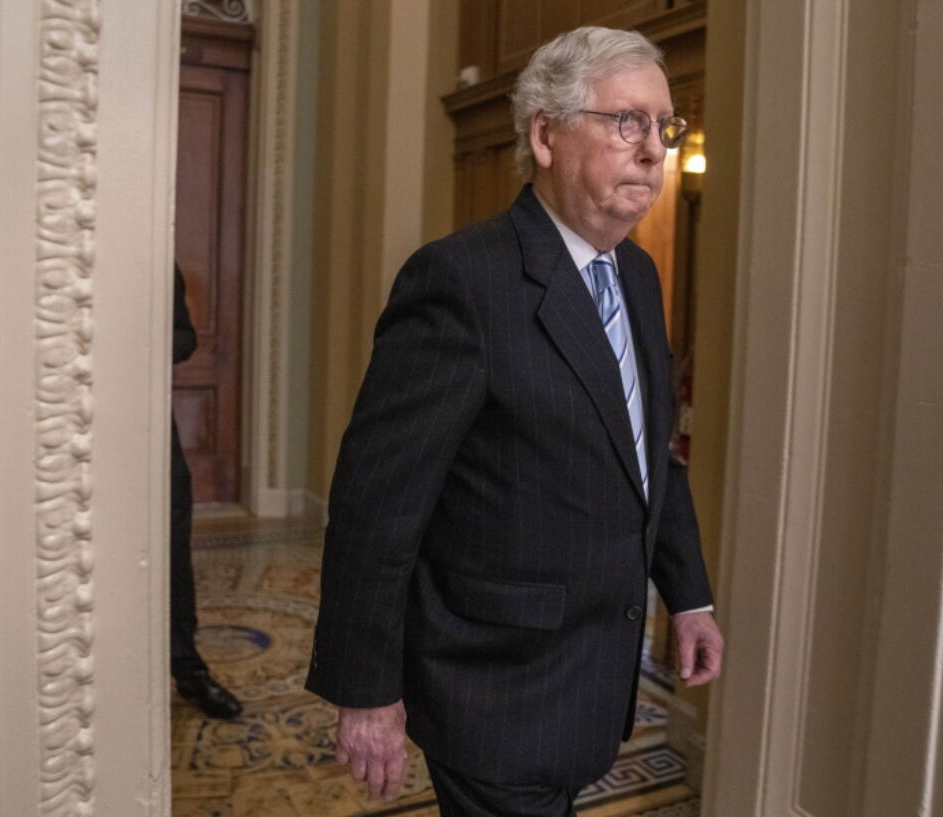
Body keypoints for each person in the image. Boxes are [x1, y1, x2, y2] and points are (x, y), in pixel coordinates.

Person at [305, 26, 722, 817]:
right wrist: (367, 691)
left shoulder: (635, 272)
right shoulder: (461, 281)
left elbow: (645, 451)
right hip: (492, 683)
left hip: (592, 676)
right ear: (545, 134)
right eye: (627, 121)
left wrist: (689, 594)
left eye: (665, 126)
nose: (655, 150)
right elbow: (377, 502)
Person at [170, 264, 242, 720]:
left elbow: (186, 338)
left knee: (173, 551)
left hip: (148, 425)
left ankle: (188, 668)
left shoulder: (161, 262)